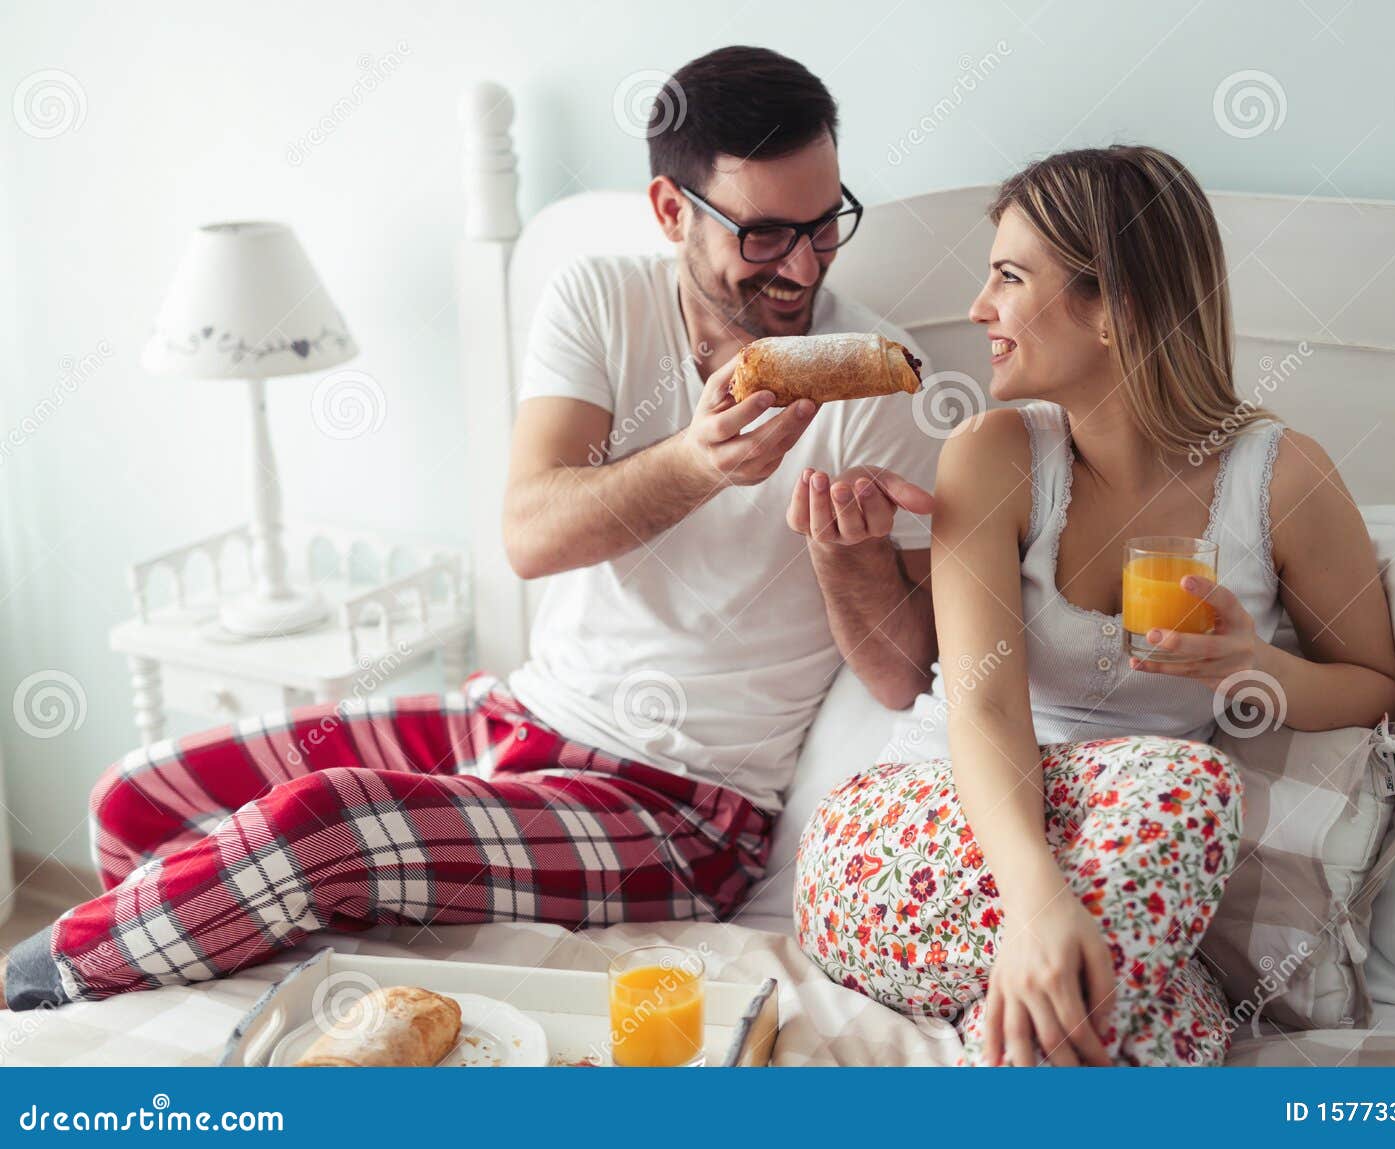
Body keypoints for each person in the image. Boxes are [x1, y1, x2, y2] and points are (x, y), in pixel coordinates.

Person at [2, 46, 939, 1012]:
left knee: (321, 824)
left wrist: (849, 555)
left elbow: (901, 676)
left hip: (680, 811)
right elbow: (532, 533)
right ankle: (175, 1038)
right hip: (521, 719)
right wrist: (697, 462)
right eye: (764, 234)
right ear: (670, 210)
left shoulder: (885, 377)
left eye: (826, 224)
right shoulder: (600, 296)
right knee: (135, 797)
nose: (803, 265)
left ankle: (23, 998)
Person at [794, 146, 1395, 1066]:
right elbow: (987, 710)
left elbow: (1373, 686)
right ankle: (1043, 964)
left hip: (1113, 868)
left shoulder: (1280, 479)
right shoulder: (993, 456)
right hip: (915, 836)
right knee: (1194, 787)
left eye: (1009, 277)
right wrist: (1038, 905)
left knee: (1176, 1031)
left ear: (1114, 305)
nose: (979, 308)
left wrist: (1255, 668)